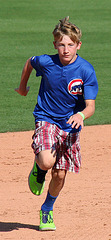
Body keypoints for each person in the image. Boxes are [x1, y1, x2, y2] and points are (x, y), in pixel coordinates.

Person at [15, 16, 98, 231]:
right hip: (46, 117)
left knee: (60, 175)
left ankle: (47, 209)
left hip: (70, 125)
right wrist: (23, 87)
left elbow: (90, 106)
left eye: (70, 44)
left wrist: (81, 115)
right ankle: (39, 169)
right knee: (46, 161)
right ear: (55, 45)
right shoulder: (46, 62)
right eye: (61, 44)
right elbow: (29, 62)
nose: (65, 49)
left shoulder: (86, 70)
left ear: (78, 45)